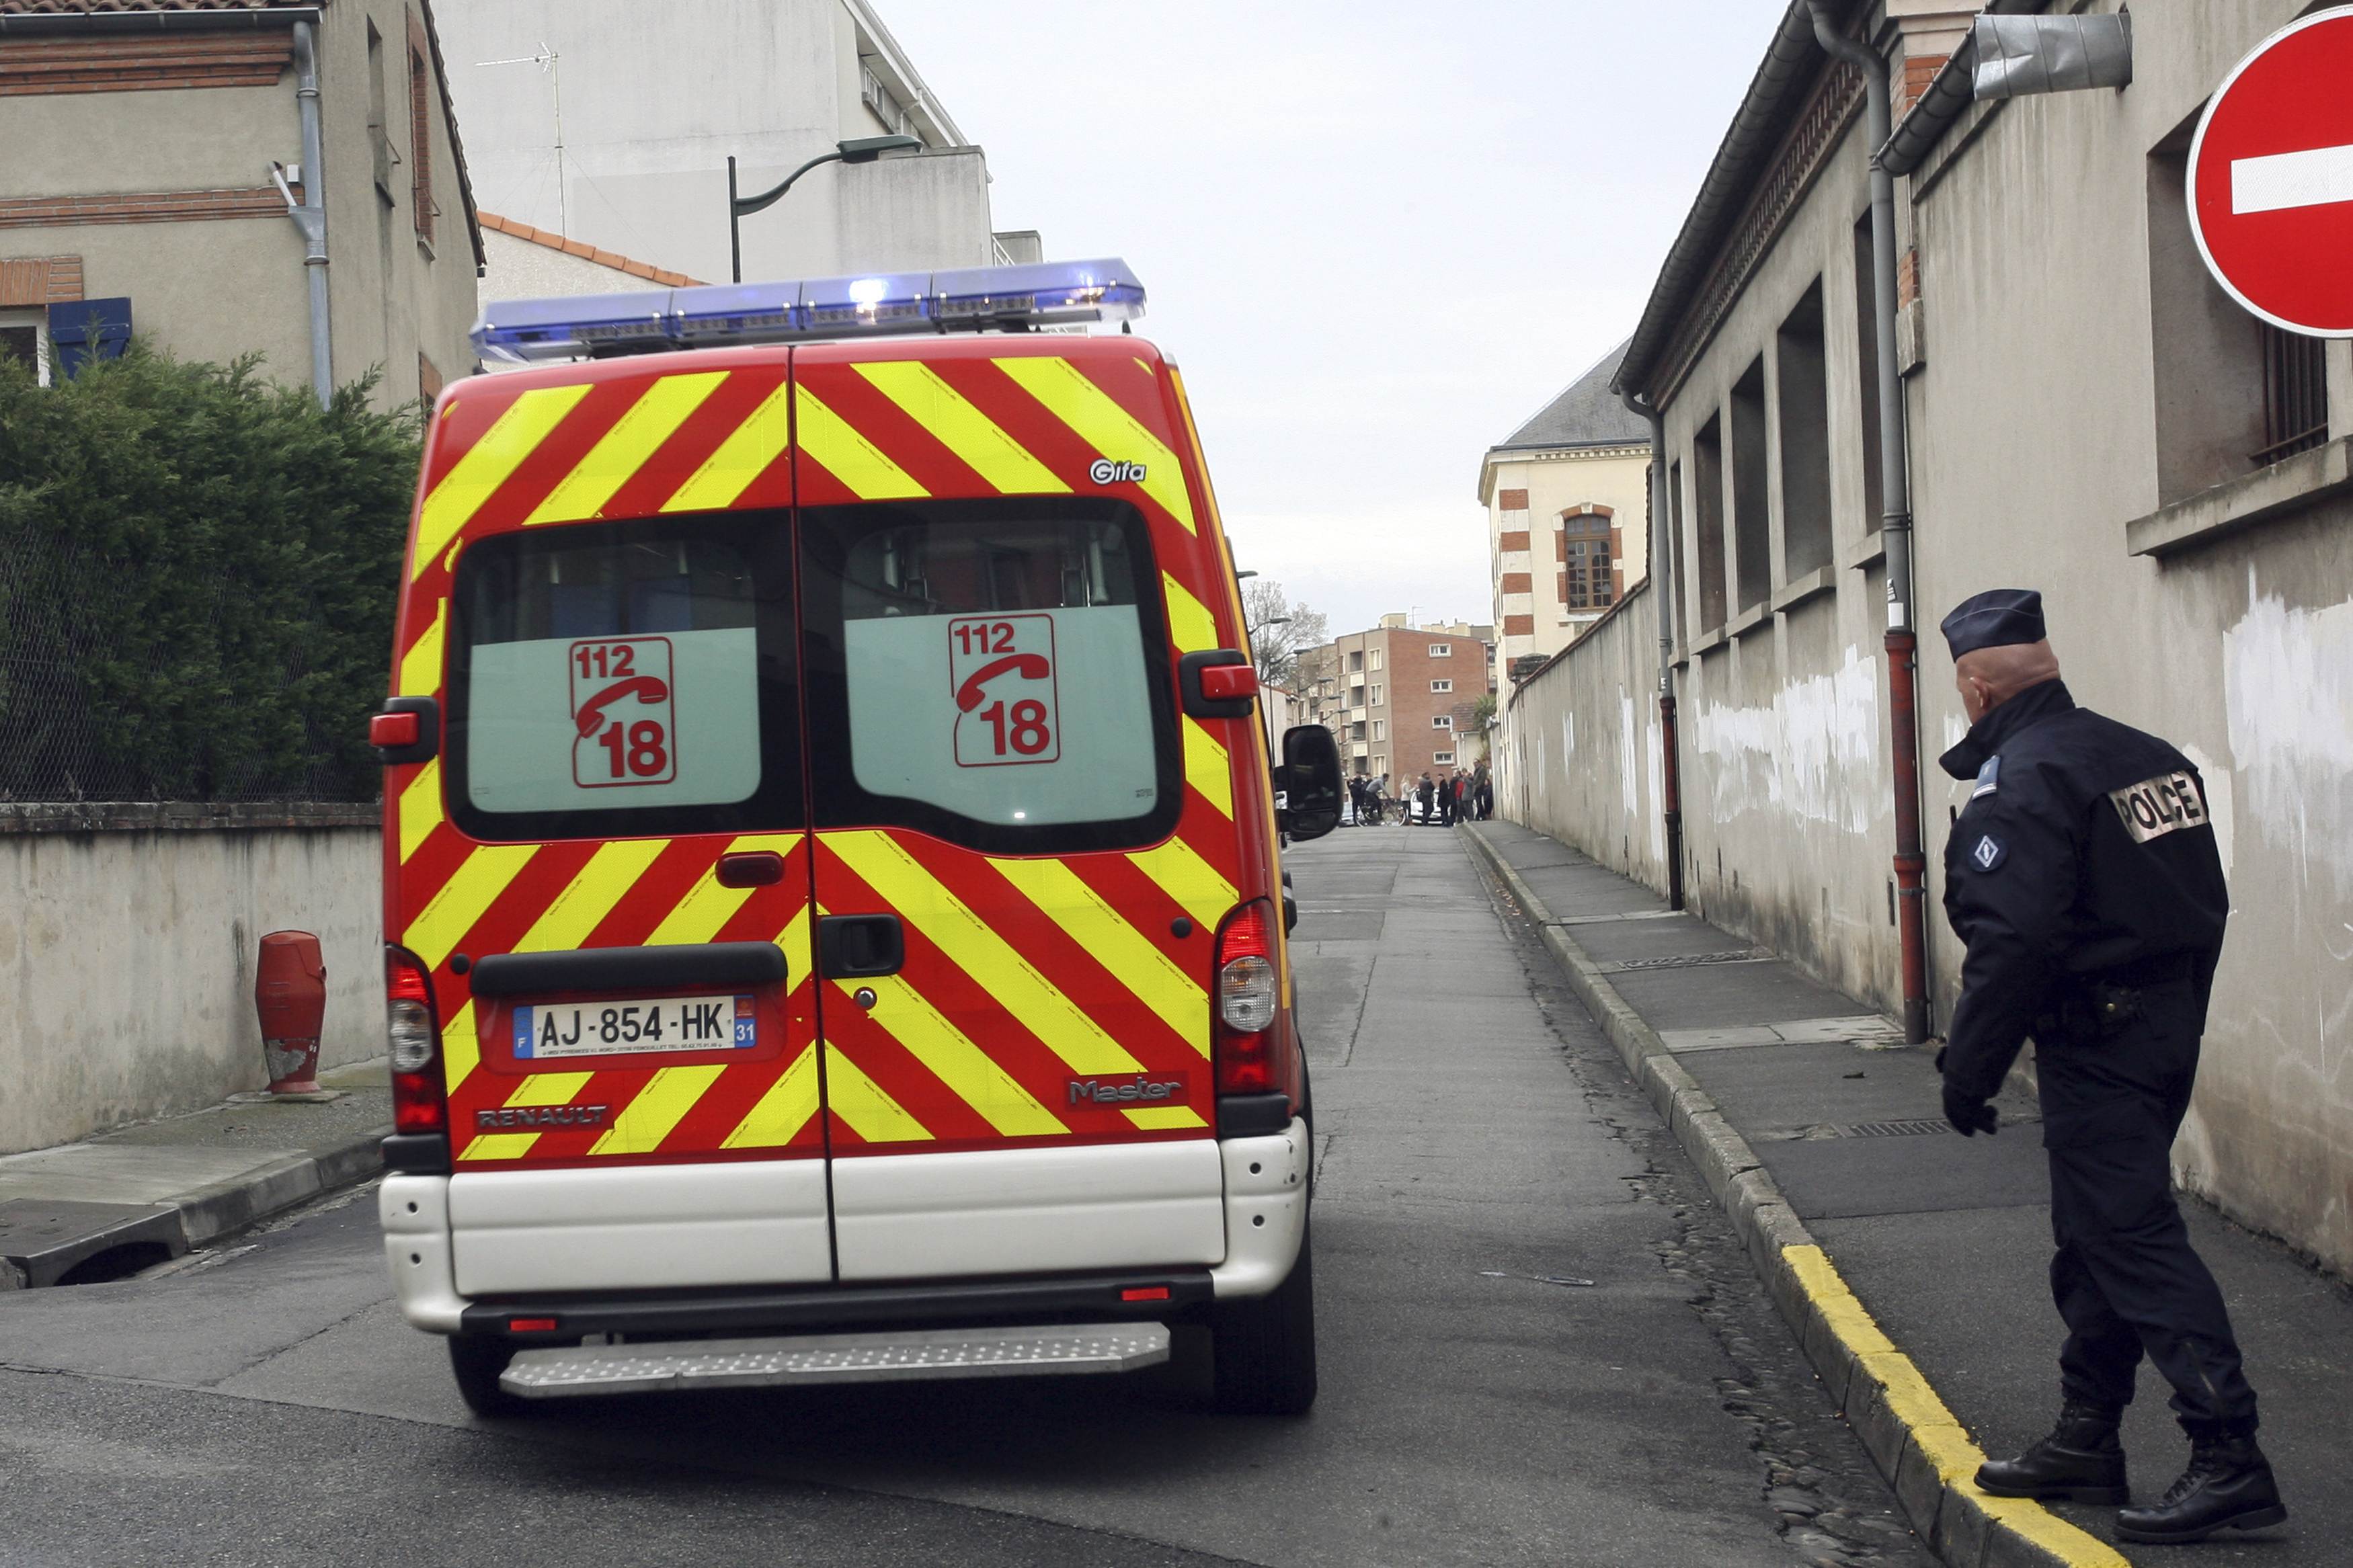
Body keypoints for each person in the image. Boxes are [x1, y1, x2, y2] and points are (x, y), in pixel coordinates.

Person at [1933, 589, 2282, 1546]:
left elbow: (2014, 938)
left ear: (1975, 683)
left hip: (2099, 1038)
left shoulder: (2028, 778)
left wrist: (1970, 1066)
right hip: (2166, 1027)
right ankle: (2088, 1434)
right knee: (2096, 1232)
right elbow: (2202, 900)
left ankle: (2230, 1454)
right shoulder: (2147, 755)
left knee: (2128, 1235)